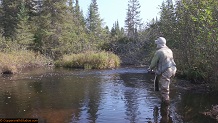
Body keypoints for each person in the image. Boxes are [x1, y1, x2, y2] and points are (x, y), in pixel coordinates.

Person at [148, 37, 176, 104]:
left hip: (166, 71)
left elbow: (153, 63)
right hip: (173, 70)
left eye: (157, 43)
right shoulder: (169, 50)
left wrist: (150, 69)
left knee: (164, 90)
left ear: (159, 44)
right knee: (166, 86)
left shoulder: (159, 52)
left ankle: (166, 107)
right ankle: (165, 102)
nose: (156, 44)